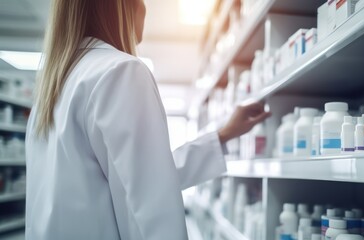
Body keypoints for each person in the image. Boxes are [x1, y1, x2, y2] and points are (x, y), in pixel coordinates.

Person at [25, 0, 271, 239]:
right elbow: (150, 209)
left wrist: (223, 135)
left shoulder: (52, 90)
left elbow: (139, 178)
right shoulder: (120, 72)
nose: (145, 8)